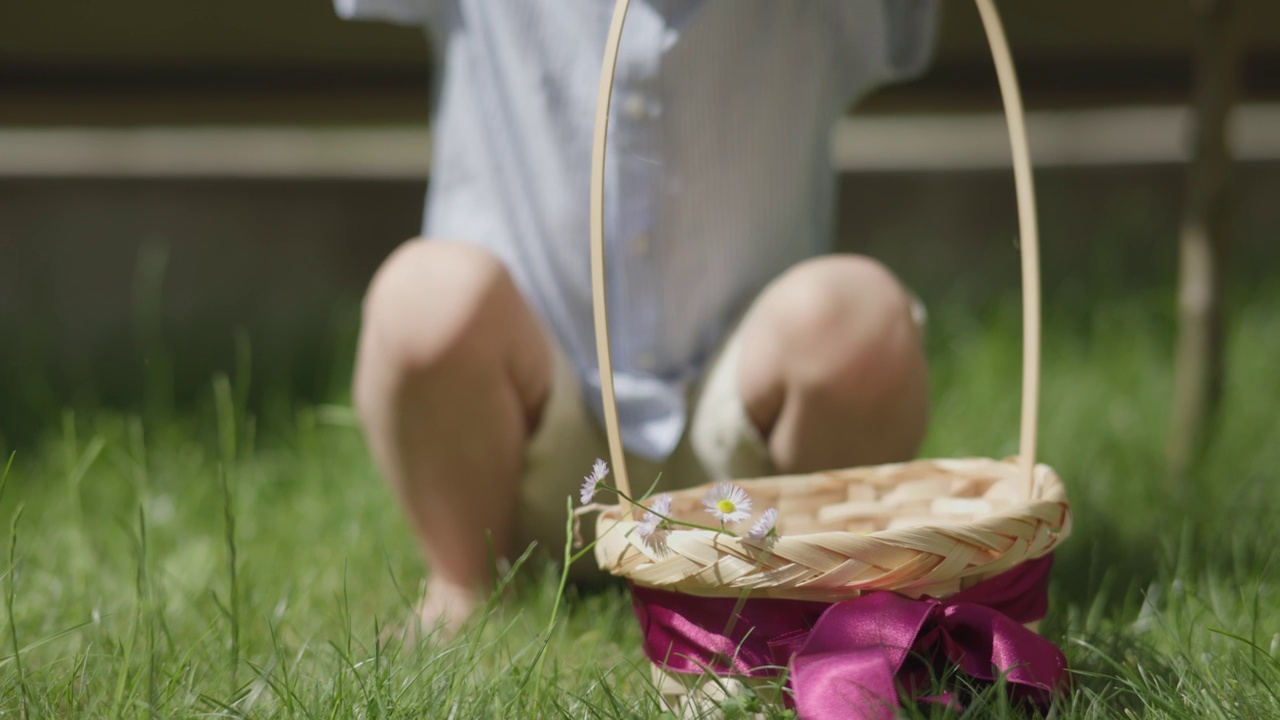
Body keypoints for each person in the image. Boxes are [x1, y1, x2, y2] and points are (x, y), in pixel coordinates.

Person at [337, 0, 938, 636]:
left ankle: (809, 584)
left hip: (754, 452)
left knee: (856, 315)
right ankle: (466, 584)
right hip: (513, 432)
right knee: (427, 298)